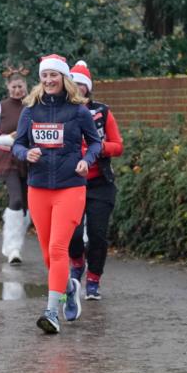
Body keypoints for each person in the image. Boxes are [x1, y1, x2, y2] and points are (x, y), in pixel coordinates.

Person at [11, 54, 101, 334]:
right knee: (48, 256)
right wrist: (27, 153)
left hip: (71, 187)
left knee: (57, 249)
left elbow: (96, 143)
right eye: (45, 75)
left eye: (54, 75)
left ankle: (51, 312)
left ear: (64, 78)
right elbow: (17, 145)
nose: (49, 80)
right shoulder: (30, 110)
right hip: (38, 188)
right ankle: (69, 288)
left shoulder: (78, 111)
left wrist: (87, 161)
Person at [67, 61, 124, 301]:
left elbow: (118, 146)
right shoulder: (60, 111)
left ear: (88, 88)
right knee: (73, 232)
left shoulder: (103, 112)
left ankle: (93, 280)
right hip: (70, 182)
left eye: (82, 85)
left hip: (100, 182)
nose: (78, 89)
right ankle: (77, 262)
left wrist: (96, 148)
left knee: (99, 234)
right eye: (74, 84)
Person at [0, 68, 31, 264]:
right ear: (8, 87)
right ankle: (13, 248)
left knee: (29, 206)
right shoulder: (1, 106)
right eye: (14, 87)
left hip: (30, 158)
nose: (17, 91)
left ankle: (15, 242)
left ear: (26, 87)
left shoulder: (33, 105)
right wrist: (6, 139)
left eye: (21, 87)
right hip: (7, 158)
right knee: (17, 200)